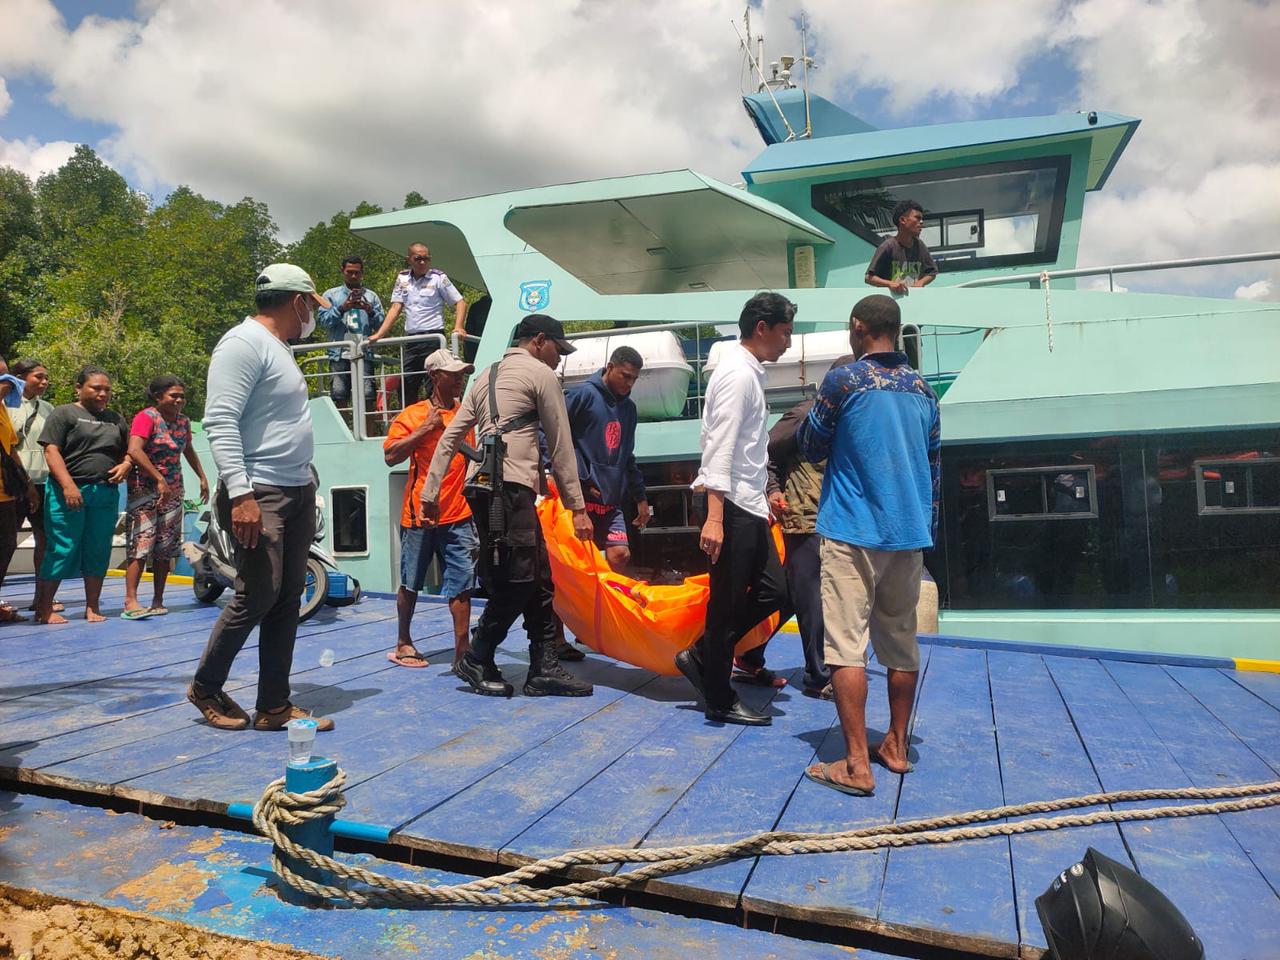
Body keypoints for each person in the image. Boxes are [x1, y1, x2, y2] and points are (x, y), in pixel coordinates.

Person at [797, 294, 940, 797]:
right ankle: (897, 747)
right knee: (901, 642)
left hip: (852, 529)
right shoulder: (924, 389)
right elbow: (933, 462)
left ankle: (857, 764)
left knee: (845, 646)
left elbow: (811, 445)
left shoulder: (846, 379)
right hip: (909, 532)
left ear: (859, 327)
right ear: (896, 331)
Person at [188, 263, 334, 733]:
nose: (312, 315)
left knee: (288, 596)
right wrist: (243, 495)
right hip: (260, 490)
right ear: (298, 301)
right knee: (258, 594)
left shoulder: (279, 348)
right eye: (311, 305)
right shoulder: (242, 344)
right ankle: (206, 686)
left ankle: (274, 704)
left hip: (294, 488)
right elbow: (220, 421)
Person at [423, 313, 594, 699]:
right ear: (538, 341)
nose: (559, 359)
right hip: (510, 487)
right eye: (557, 349)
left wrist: (430, 494)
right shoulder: (541, 375)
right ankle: (478, 655)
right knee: (519, 577)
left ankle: (542, 667)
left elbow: (451, 437)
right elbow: (561, 443)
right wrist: (577, 507)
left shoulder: (484, 376)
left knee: (537, 575)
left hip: (481, 487)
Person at [674, 292, 796, 726]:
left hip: (749, 502)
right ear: (761, 328)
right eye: (785, 332)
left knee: (775, 592)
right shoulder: (737, 376)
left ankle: (703, 653)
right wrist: (714, 516)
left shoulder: (749, 373)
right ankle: (720, 697)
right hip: (730, 506)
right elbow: (719, 448)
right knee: (725, 604)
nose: (789, 342)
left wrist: (765, 497)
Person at [764, 355, 858, 700]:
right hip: (804, 518)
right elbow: (767, 454)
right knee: (811, 597)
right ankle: (817, 676)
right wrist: (773, 490)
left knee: (793, 597)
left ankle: (747, 654)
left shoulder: (849, 418)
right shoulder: (806, 414)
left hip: (837, 519)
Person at [383, 349, 478, 671]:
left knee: (462, 584)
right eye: (454, 374)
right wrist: (425, 429)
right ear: (435, 376)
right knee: (411, 582)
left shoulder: (466, 415)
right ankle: (403, 641)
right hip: (419, 517)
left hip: (459, 515)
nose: (460, 379)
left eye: (462, 374)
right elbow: (390, 456)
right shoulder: (412, 415)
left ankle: (462, 654)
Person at [33, 366, 132, 624]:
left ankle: (93, 606)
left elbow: (128, 450)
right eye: (96, 388)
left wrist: (126, 464)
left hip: (105, 492)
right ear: (79, 388)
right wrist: (67, 485)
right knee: (62, 548)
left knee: (98, 549)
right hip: (69, 490)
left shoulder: (115, 418)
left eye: (107, 389)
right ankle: (44, 609)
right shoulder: (64, 413)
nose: (102, 393)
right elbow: (51, 451)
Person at [122, 376, 209, 619]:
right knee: (141, 544)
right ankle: (131, 600)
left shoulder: (183, 421)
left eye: (182, 395)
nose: (179, 400)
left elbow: (188, 449)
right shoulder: (146, 417)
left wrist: (202, 476)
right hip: (145, 491)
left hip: (173, 491)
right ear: (158, 397)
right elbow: (135, 450)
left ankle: (158, 599)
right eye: (173, 395)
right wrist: (158, 479)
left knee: (165, 547)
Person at [564, 344, 651, 572]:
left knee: (620, 555)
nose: (630, 383)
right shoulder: (581, 395)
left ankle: (608, 605)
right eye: (625, 376)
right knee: (580, 561)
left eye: (634, 378)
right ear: (610, 367)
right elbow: (550, 434)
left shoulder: (629, 409)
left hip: (612, 501)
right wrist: (575, 478)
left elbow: (627, 456)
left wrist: (641, 498)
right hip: (581, 499)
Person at [375, 243, 468, 404]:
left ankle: (437, 420)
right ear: (409, 259)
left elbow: (460, 302)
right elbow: (396, 307)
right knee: (407, 385)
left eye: (426, 258)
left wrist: (458, 326)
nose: (423, 262)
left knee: (434, 384)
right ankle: (411, 422)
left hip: (433, 339)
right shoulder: (402, 278)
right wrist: (379, 334)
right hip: (411, 341)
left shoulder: (438, 278)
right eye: (418, 258)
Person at [10, 358, 55, 615]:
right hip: (13, 485)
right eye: (38, 376)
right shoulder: (6, 406)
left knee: (45, 541)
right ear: (19, 377)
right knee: (6, 541)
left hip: (43, 484)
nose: (44, 382)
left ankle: (42, 597)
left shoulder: (49, 409)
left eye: (46, 377)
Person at [317, 255, 385, 414]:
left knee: (368, 396)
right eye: (350, 272)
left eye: (357, 272)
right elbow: (323, 321)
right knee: (339, 396)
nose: (353, 276)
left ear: (362, 273)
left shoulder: (371, 296)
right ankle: (343, 436)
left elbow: (382, 324)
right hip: (339, 354)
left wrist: (370, 311)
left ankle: (369, 435)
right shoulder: (330, 295)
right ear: (342, 271)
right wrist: (342, 308)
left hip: (364, 353)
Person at [0, 358, 34, 622]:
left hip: (5, 492)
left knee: (7, 544)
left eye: (6, 376)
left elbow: (11, 449)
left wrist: (28, 484)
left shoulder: (2, 410)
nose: (7, 384)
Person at [865, 199, 938, 294]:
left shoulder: (920, 246)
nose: (921, 222)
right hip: (891, 302)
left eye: (921, 219)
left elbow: (932, 273)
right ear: (903, 220)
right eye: (917, 218)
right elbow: (868, 278)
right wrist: (890, 284)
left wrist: (921, 282)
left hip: (913, 300)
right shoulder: (888, 246)